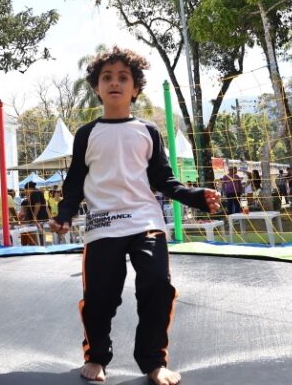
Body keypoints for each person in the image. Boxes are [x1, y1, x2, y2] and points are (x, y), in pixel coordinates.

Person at [48, 47, 222, 385]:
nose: (115, 83)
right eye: (107, 78)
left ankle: (154, 361)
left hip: (145, 223)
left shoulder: (148, 131)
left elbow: (163, 180)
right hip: (102, 227)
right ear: (97, 88)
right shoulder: (87, 134)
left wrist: (196, 197)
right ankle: (97, 356)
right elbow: (74, 183)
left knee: (158, 285)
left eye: (123, 78)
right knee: (100, 297)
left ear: (135, 89)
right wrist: (65, 214)